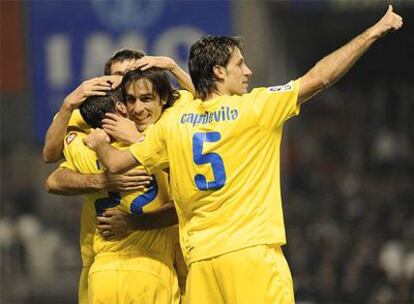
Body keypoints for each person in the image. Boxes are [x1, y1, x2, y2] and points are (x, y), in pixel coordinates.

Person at [83, 5, 403, 304]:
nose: (248, 71)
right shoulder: (254, 109)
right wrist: (373, 32)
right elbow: (320, 77)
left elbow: (114, 163)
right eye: (239, 64)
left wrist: (99, 143)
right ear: (219, 72)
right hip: (251, 255)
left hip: (202, 263)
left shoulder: (174, 123)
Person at [44, 50, 193, 303]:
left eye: (132, 76)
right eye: (118, 78)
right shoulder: (89, 123)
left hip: (164, 258)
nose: (126, 83)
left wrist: (173, 68)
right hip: (107, 259)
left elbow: (204, 105)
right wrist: (102, 181)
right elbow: (52, 168)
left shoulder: (91, 140)